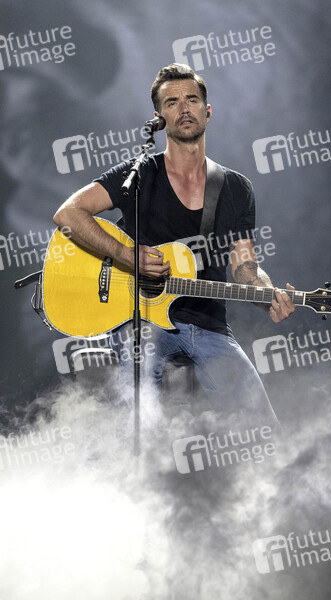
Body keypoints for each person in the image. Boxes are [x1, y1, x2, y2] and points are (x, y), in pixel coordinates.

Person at [53, 63, 295, 426]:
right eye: (172, 102)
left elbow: (244, 267)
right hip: (140, 321)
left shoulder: (236, 188)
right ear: (159, 118)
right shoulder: (139, 174)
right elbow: (69, 213)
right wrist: (126, 255)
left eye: (192, 100)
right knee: (142, 415)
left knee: (261, 425)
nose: (184, 108)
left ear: (207, 112)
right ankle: (140, 460)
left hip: (209, 325)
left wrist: (267, 294)